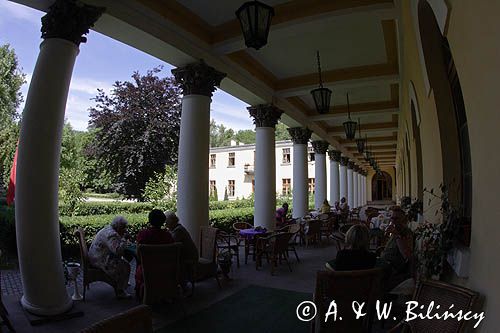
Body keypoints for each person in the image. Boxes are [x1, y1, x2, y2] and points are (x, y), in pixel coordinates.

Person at [88, 216, 132, 298]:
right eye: (124, 228)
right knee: (125, 266)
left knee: (124, 261)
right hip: (99, 260)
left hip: (96, 256)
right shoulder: (111, 235)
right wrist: (124, 239)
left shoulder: (109, 229)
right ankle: (120, 291)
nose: (125, 230)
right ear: (119, 227)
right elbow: (117, 251)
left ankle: (122, 282)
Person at [135, 209, 174, 296]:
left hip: (147, 272)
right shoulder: (168, 236)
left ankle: (141, 292)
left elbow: (138, 256)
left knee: (138, 264)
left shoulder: (143, 234)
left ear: (149, 220)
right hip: (166, 270)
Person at [379, 208, 414, 291]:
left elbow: (407, 255)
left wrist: (396, 235)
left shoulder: (406, 233)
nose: (393, 221)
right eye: (392, 218)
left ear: (404, 220)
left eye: (396, 218)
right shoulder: (395, 232)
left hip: (393, 270)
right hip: (385, 264)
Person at [165, 211, 199, 290]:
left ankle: (179, 284)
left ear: (171, 221)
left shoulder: (178, 230)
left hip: (188, 257)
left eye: (166, 221)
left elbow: (170, 245)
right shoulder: (176, 229)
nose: (165, 224)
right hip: (185, 256)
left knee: (172, 263)